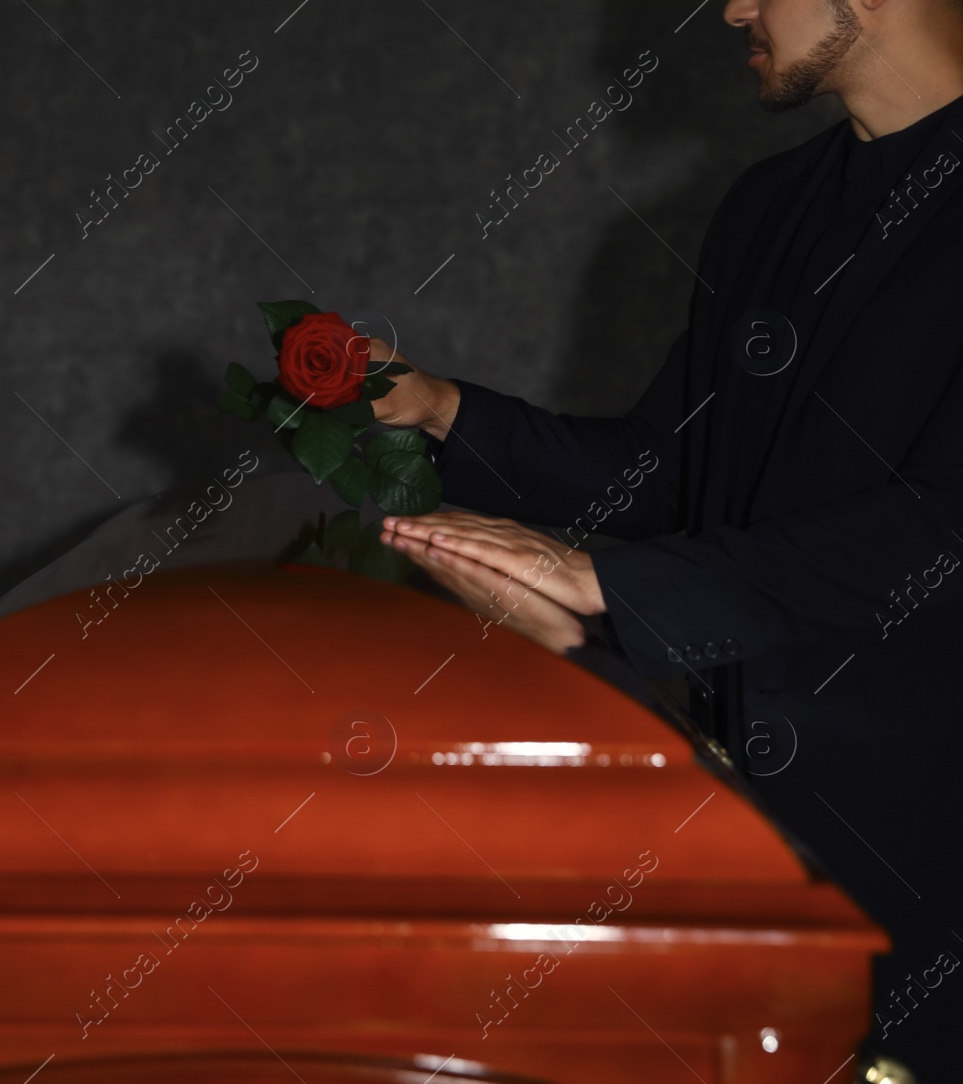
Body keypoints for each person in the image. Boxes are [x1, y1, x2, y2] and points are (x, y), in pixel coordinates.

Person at [374, 0, 963, 1076]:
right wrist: (442, 411)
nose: (732, 6)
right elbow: (671, 470)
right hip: (758, 851)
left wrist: (606, 581)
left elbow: (939, 530)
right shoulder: (770, 206)